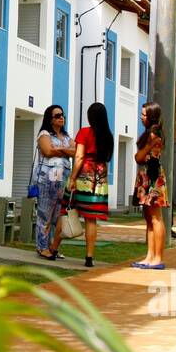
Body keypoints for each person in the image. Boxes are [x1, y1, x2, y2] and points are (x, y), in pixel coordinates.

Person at [53, 102, 113, 268]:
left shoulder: (85, 132)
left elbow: (79, 157)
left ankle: (53, 249)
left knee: (65, 211)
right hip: (99, 179)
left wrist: (72, 178)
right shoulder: (108, 136)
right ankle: (89, 257)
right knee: (91, 219)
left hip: (84, 176)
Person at [32, 105, 75, 260]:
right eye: (57, 115)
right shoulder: (44, 134)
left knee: (58, 216)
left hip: (62, 181)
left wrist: (59, 148)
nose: (61, 117)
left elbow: (76, 151)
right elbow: (48, 151)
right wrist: (65, 150)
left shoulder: (66, 136)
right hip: (47, 178)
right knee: (45, 214)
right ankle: (42, 247)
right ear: (50, 119)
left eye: (62, 115)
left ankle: (53, 247)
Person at [131, 101, 168, 269]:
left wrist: (142, 151)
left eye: (144, 114)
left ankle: (157, 258)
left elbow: (139, 157)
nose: (141, 117)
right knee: (149, 219)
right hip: (146, 176)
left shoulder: (153, 135)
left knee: (155, 217)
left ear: (151, 116)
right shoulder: (150, 134)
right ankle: (149, 256)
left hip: (152, 177)